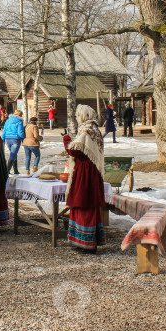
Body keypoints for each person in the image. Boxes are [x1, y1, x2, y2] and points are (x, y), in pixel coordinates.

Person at [63, 105, 107, 252]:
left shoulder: (87, 131)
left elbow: (75, 150)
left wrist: (66, 139)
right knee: (88, 204)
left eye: (78, 115)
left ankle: (86, 242)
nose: (77, 118)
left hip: (85, 172)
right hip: (93, 171)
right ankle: (84, 240)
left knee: (83, 203)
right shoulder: (95, 130)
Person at [1, 108, 25, 174]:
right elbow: (20, 132)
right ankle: (7, 171)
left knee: (14, 154)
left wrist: (2, 139)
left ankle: (15, 170)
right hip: (15, 139)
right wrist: (24, 137)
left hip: (7, 139)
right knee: (13, 154)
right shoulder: (19, 121)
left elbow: (4, 130)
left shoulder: (8, 120)